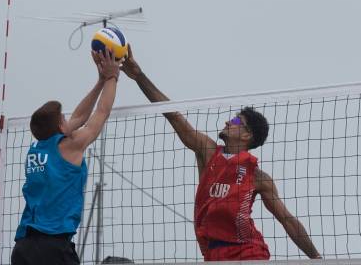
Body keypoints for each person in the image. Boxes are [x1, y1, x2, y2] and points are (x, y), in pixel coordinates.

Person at [120, 45, 321, 261]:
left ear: (246, 136)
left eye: (236, 121)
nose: (228, 121)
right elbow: (173, 115)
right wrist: (139, 76)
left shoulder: (258, 177)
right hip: (215, 254)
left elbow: (287, 220)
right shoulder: (207, 151)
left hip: (249, 253)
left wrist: (317, 259)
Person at [11, 49, 122, 265]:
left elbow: (79, 117)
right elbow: (101, 112)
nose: (68, 119)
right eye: (63, 118)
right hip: (53, 247)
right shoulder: (70, 146)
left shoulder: (35, 150)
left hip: (23, 248)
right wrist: (112, 76)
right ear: (61, 126)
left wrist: (99, 81)